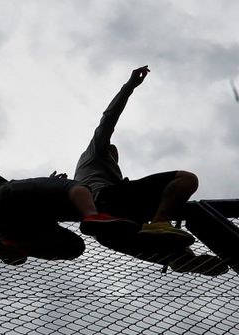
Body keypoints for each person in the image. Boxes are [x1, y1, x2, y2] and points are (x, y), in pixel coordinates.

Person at [0, 65, 137, 266]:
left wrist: (48, 183)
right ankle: (92, 215)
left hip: (11, 225)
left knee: (74, 247)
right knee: (77, 187)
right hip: (5, 200)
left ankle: (15, 245)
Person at [74, 65, 227, 275]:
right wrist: (129, 87)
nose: (115, 158)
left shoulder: (84, 179)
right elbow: (107, 121)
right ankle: (160, 221)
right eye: (113, 153)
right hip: (110, 201)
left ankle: (182, 258)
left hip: (108, 229)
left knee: (165, 245)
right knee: (185, 179)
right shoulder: (95, 152)